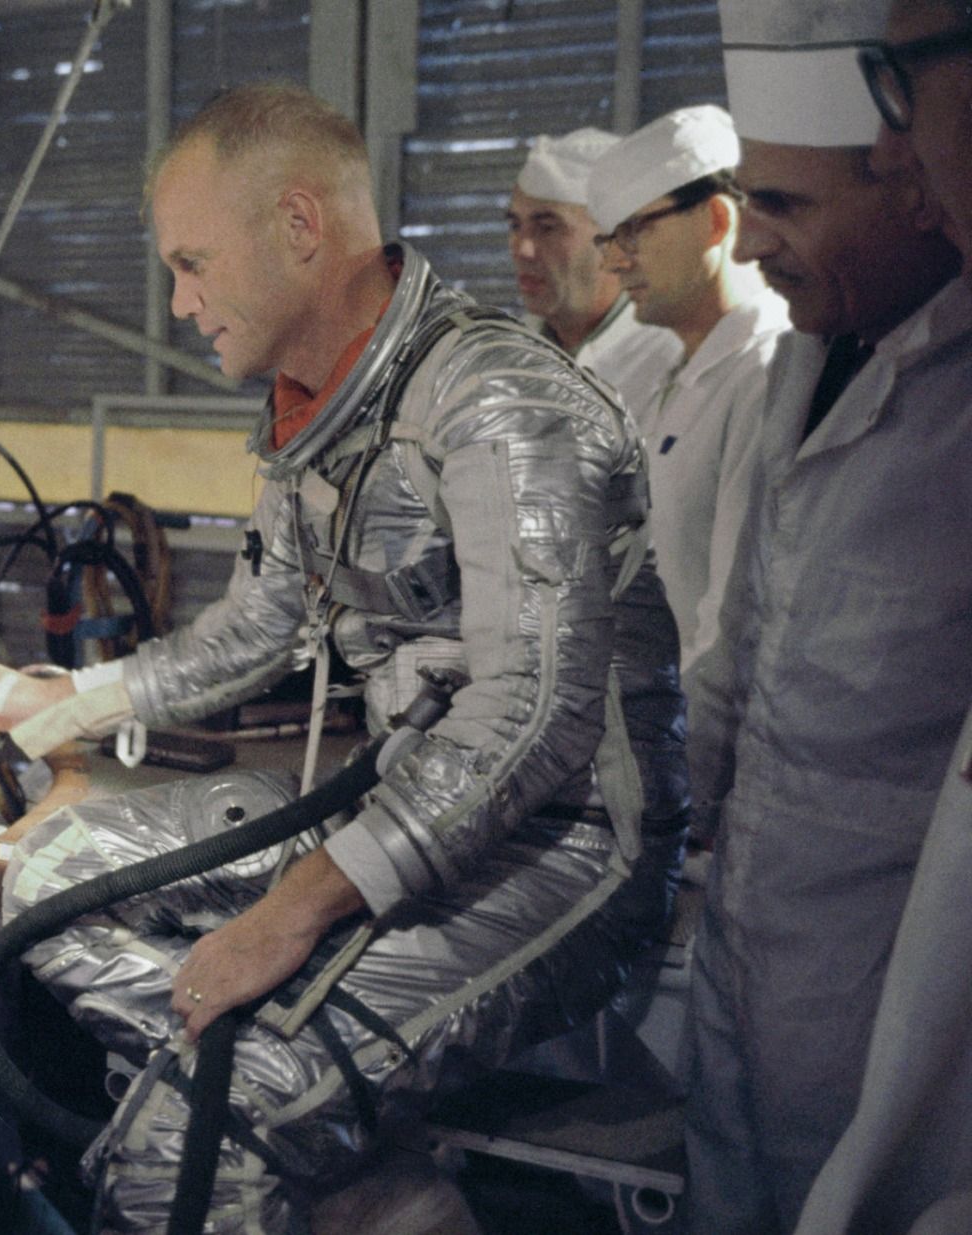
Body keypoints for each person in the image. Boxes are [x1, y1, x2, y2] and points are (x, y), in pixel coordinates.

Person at [0, 82, 688, 1234]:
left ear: (299, 227)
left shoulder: (500, 401)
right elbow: (261, 624)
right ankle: (339, 1163)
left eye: (191, 263)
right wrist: (68, 696)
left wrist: (292, 910)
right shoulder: (315, 413)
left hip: (572, 842)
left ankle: (234, 1120)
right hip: (405, 811)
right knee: (27, 878)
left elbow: (531, 722)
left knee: (188, 1140)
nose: (179, 303)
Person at [683, 0, 972, 1229]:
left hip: (885, 984)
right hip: (743, 943)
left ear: (916, 182)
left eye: (786, 207)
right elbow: (739, 659)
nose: (748, 249)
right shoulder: (804, 358)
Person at [792, 4, 972, 1229]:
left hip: (869, 960)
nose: (897, 147)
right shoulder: (796, 366)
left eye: (900, 91)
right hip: (782, 940)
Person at [585, 105, 789, 674]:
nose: (616, 261)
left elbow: (730, 625)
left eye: (633, 231)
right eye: (609, 238)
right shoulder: (662, 372)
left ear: (717, 222)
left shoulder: (763, 371)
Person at [506, 126, 682, 391]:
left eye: (547, 228)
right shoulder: (507, 354)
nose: (522, 250)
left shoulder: (668, 357)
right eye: (515, 226)